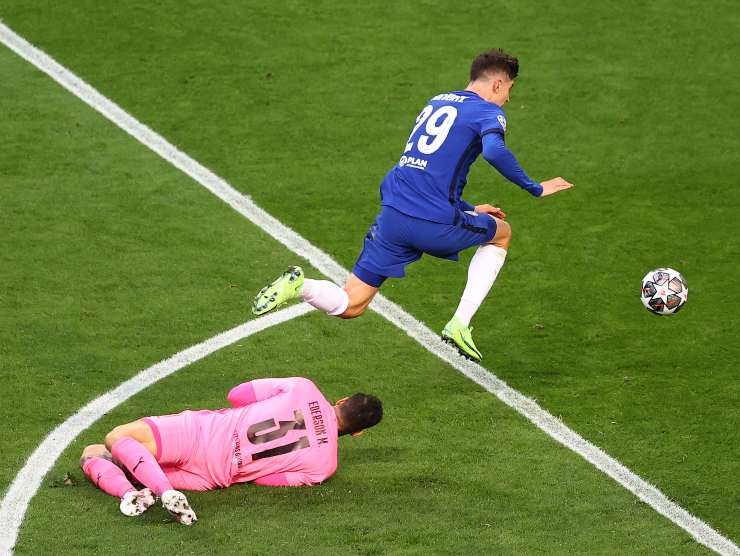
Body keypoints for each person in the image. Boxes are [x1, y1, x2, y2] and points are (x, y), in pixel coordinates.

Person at [252, 49, 573, 361]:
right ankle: (460, 324)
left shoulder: (436, 102)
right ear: (498, 84)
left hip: (393, 215)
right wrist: (534, 187)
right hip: (430, 221)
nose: (508, 100)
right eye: (510, 91)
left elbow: (427, 172)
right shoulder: (489, 112)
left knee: (352, 305)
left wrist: (470, 209)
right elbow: (493, 151)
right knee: (502, 233)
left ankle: (300, 285)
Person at [79, 377, 382, 524]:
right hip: (214, 475)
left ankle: (160, 489)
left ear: (342, 400)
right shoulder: (324, 466)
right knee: (100, 455)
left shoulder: (304, 388)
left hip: (202, 434)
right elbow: (266, 481)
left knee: (115, 437)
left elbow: (236, 394)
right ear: (357, 432)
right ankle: (134, 493)